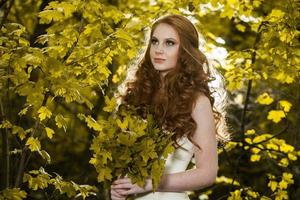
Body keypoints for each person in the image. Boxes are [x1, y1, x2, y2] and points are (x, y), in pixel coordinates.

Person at [110, 14, 228, 200]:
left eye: (170, 43)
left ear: (185, 51)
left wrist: (150, 183)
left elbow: (208, 173)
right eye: (155, 41)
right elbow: (129, 163)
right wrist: (120, 187)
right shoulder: (137, 97)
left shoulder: (197, 102)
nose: (158, 50)